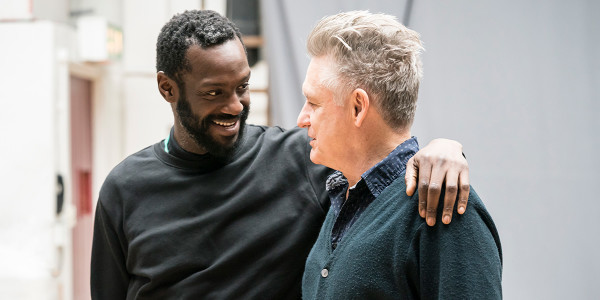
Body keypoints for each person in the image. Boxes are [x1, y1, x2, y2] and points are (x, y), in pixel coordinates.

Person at [91, 10, 471, 299]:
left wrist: (445, 148)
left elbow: (378, 164)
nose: (235, 106)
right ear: (167, 88)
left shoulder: (302, 159)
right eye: (214, 93)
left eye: (242, 87)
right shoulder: (124, 190)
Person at [299, 11, 502, 299]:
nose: (302, 118)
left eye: (313, 103)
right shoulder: (343, 199)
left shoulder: (442, 206)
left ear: (358, 107)